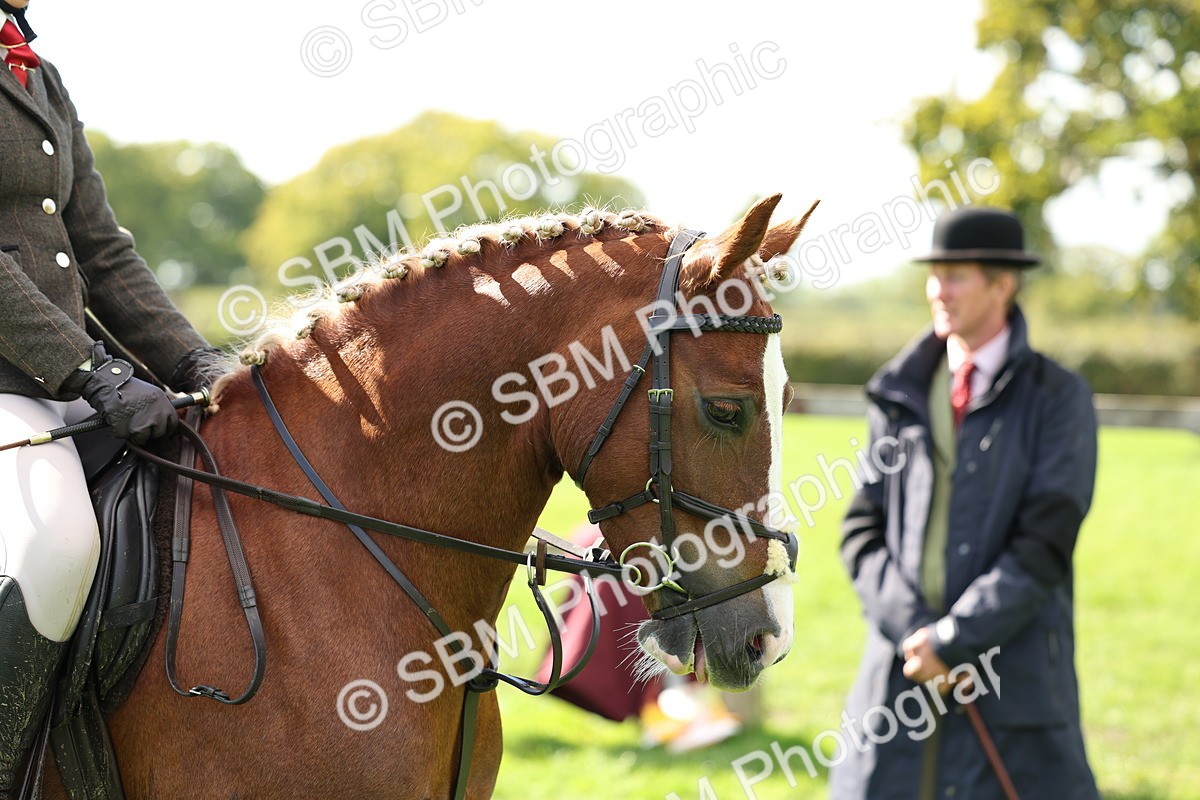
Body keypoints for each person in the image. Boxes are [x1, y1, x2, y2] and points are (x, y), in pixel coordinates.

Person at [0, 2, 218, 794]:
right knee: (58, 544)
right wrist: (88, 373)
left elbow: (100, 249)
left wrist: (197, 361)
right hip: (13, 387)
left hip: (65, 387)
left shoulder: (38, 75)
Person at [831, 206, 1100, 798]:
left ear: (1003, 284)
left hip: (1015, 675)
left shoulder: (1059, 398)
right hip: (898, 673)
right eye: (934, 274)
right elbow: (861, 531)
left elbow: (1045, 543)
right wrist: (915, 632)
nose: (938, 290)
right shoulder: (896, 394)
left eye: (956, 276)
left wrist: (956, 640)